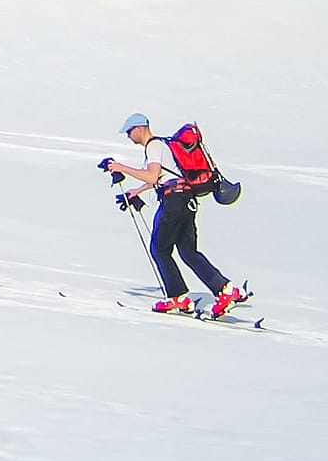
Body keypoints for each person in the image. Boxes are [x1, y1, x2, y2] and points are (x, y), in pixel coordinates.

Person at [102, 112, 247, 316]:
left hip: (174, 202)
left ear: (139, 128)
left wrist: (119, 167)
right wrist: (136, 192)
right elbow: (165, 175)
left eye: (129, 131)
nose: (128, 136)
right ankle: (226, 290)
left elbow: (153, 176)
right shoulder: (164, 145)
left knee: (159, 249)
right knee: (188, 252)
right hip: (186, 201)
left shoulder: (153, 146)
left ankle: (178, 298)